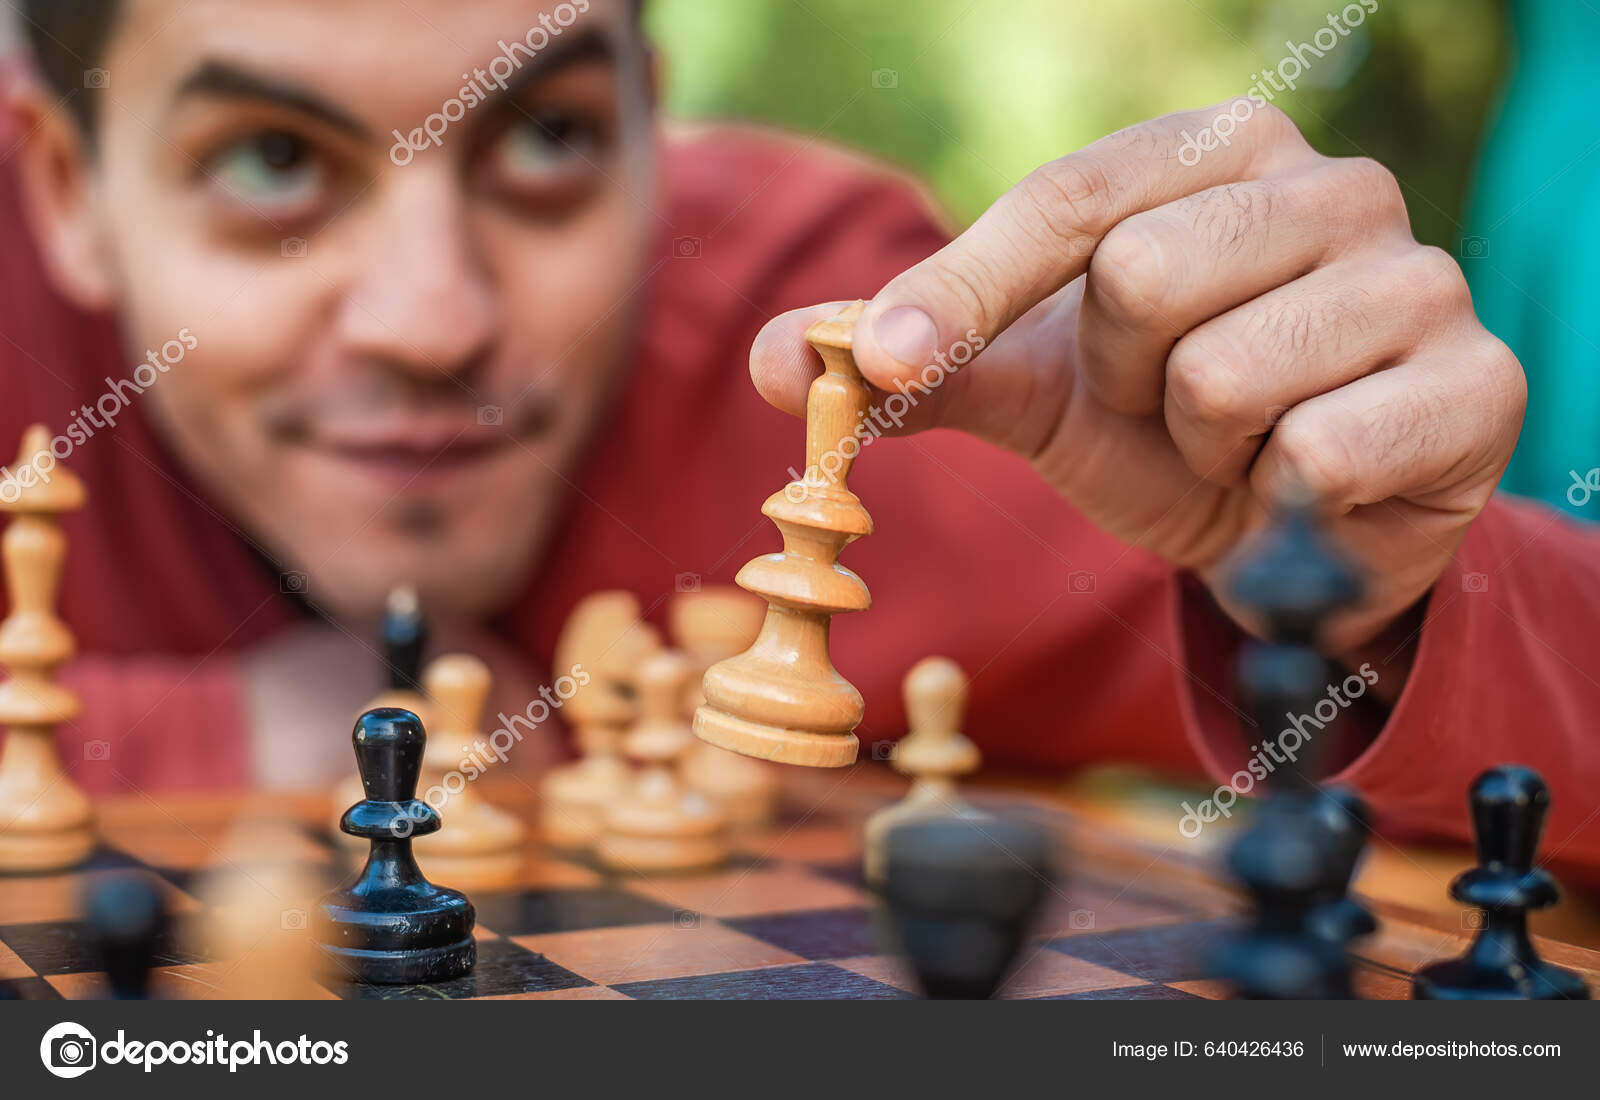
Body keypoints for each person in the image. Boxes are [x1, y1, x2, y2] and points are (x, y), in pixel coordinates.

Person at [2, 0, 1597, 872]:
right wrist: (199, 748)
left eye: (550, 135)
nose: (432, 319)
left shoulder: (828, 363)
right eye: (272, 163)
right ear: (64, 186)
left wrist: (1376, 594)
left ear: (651, 120)